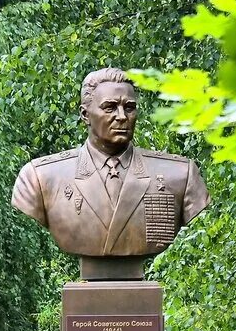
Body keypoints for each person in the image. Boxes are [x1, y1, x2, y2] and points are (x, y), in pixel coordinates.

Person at [11, 68, 209, 277]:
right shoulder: (40, 177)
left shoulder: (180, 175)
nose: (122, 117)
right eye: (110, 108)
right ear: (85, 115)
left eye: (129, 108)